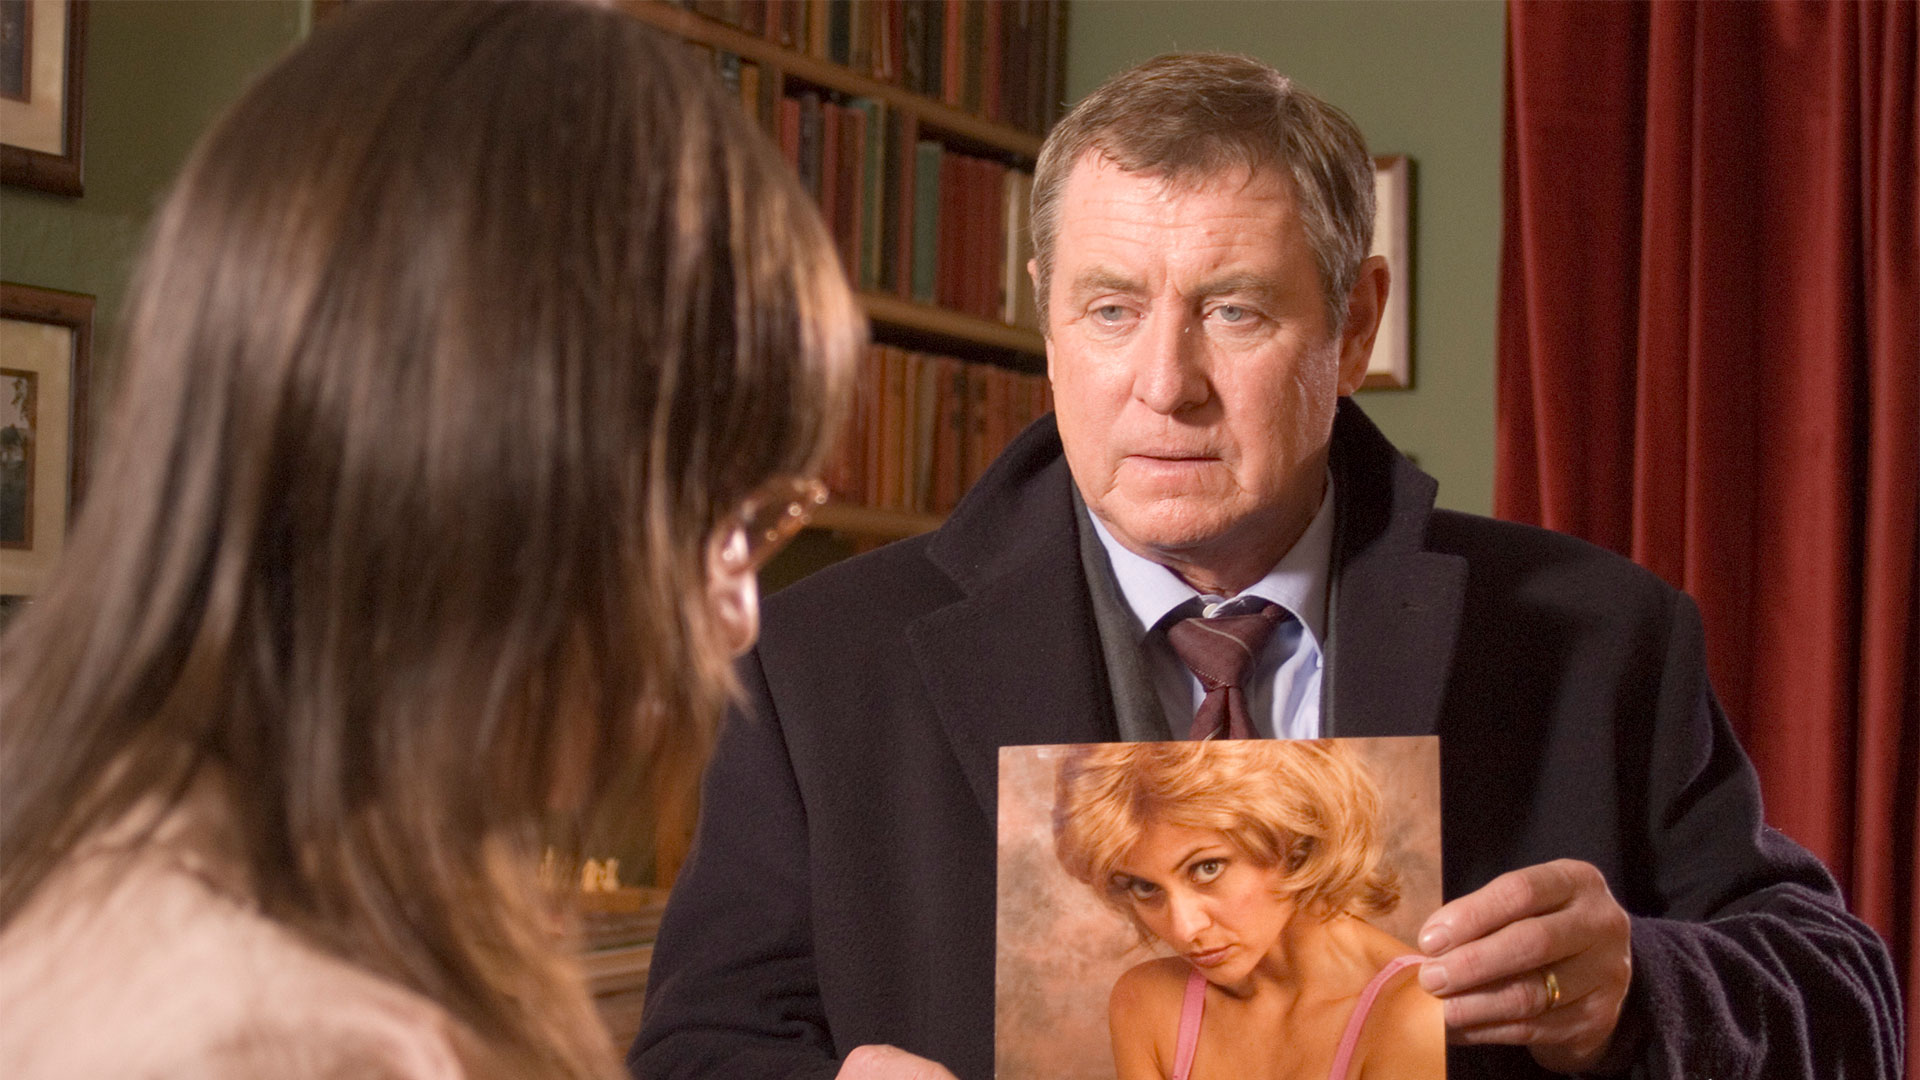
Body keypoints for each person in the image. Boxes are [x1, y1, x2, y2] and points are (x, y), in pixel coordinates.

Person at [631, 52, 1902, 1080]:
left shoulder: (1602, 636)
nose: (1165, 385)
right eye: (1112, 308)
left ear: (1354, 324)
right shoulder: (817, 663)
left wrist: (1641, 992)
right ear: (1045, 312)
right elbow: (698, 1050)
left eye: (1235, 310)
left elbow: (1852, 1005)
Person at [0, 3, 859, 1078]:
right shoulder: (269, 1038)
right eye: (721, 522)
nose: (739, 615)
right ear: (480, 462)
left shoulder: (178, 841)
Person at [1052, 741, 1444, 1080]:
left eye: (1207, 868)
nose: (1184, 929)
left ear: (1294, 836)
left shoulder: (1415, 1015)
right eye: (1145, 886)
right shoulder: (1145, 1003)